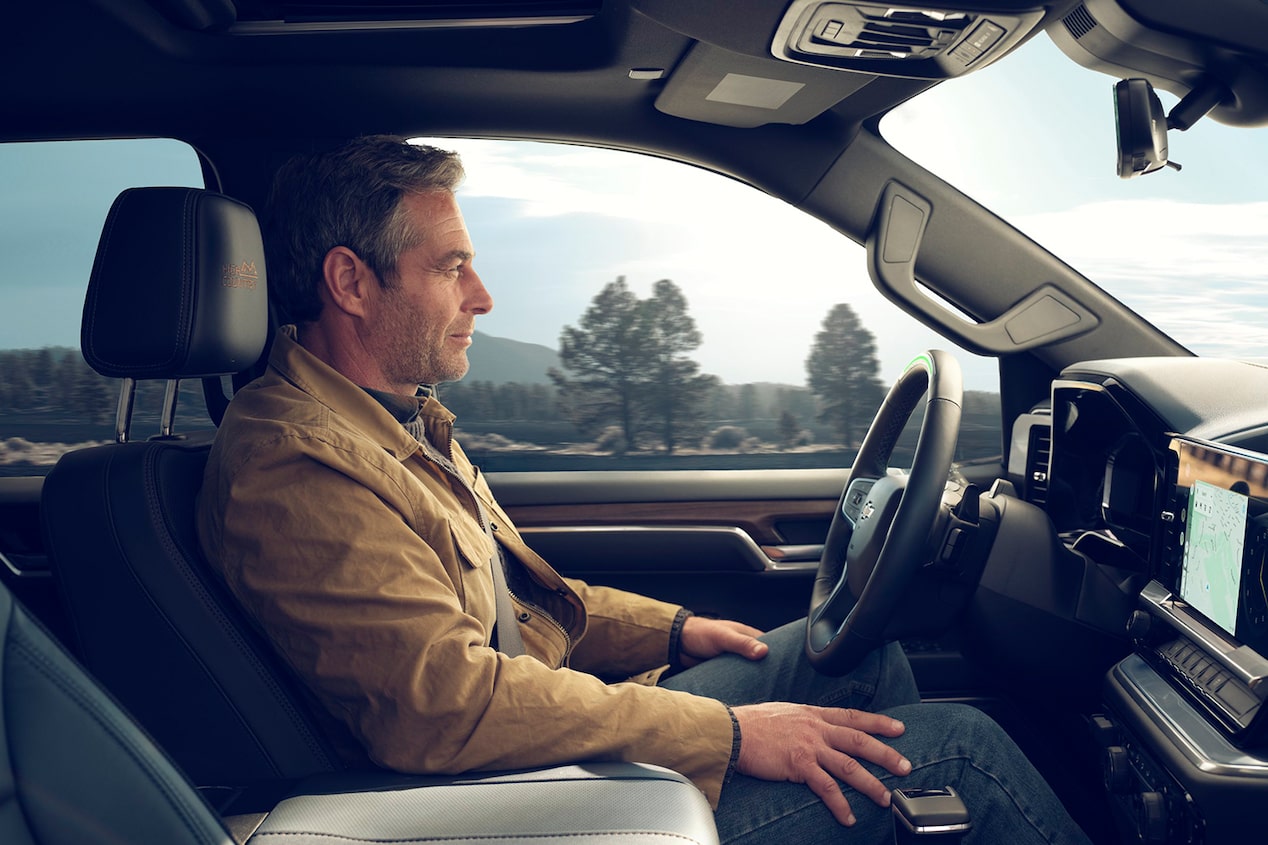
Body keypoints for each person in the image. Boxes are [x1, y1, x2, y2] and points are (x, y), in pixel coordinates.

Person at [196, 135, 1091, 844]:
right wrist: (737, 736)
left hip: (527, 760)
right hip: (496, 812)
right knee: (961, 759)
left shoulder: (395, 422)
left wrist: (672, 629)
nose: (484, 296)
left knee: (854, 663)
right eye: (449, 267)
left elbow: (528, 603)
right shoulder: (296, 461)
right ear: (351, 281)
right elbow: (443, 705)